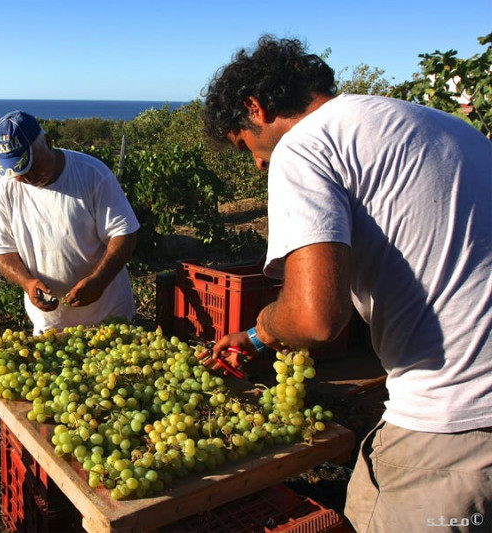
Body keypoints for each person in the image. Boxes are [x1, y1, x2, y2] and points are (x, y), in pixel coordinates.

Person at [201, 36, 492, 532]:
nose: (256, 162)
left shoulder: (306, 146)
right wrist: (253, 339)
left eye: (243, 143)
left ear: (256, 106)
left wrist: (264, 326)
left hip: (454, 420)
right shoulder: (446, 127)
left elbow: (315, 320)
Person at [0, 110, 140, 336]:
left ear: (48, 142)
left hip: (108, 319)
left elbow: (124, 234)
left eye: (32, 166)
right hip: (49, 325)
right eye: (18, 171)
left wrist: (99, 280)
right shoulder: (5, 189)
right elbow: (3, 251)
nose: (26, 178)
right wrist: (27, 283)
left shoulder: (92, 174)